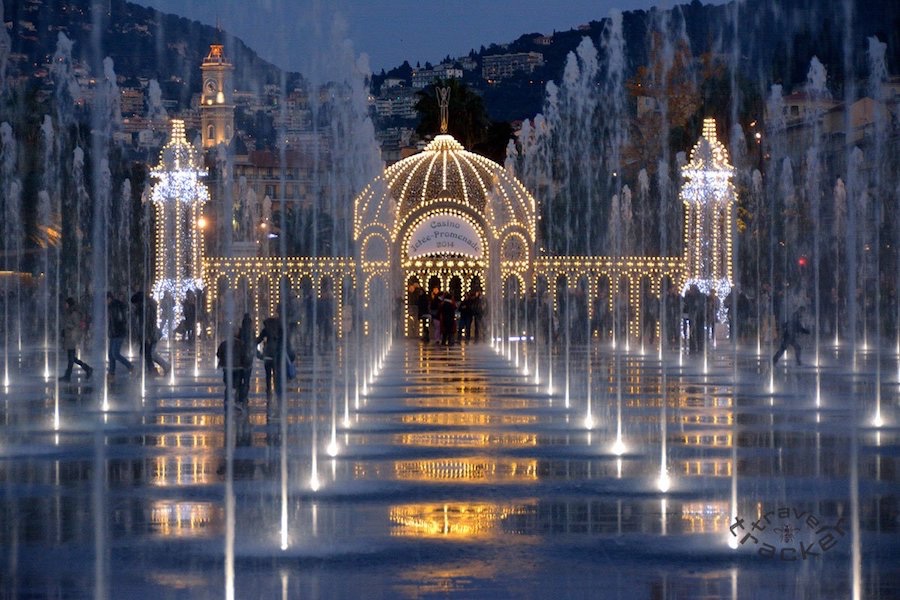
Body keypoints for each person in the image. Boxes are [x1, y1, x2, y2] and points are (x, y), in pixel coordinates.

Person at [131, 291, 170, 377]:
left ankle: (150, 370)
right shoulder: (144, 307)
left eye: (135, 304)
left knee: (147, 353)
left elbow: (149, 323)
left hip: (149, 334)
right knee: (146, 353)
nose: (134, 306)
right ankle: (152, 369)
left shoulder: (146, 308)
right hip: (146, 334)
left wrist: (148, 336)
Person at [59, 297, 93, 382]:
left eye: (66, 303)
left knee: (71, 359)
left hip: (72, 338)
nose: (65, 305)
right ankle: (87, 369)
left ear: (69, 304)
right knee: (72, 358)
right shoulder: (70, 313)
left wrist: (68, 327)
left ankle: (68, 376)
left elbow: (77, 326)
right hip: (69, 338)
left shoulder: (74, 313)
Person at [217, 332, 247, 412]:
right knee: (237, 385)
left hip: (227, 368)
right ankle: (236, 401)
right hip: (238, 368)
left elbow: (218, 354)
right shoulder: (241, 344)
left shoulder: (224, 344)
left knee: (228, 385)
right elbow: (244, 355)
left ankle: (227, 401)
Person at [106, 291, 133, 378]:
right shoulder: (111, 306)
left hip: (118, 333)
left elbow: (120, 320)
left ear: (109, 298)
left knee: (115, 354)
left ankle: (130, 366)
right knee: (111, 354)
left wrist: (117, 331)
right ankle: (111, 373)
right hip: (114, 333)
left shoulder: (115, 306)